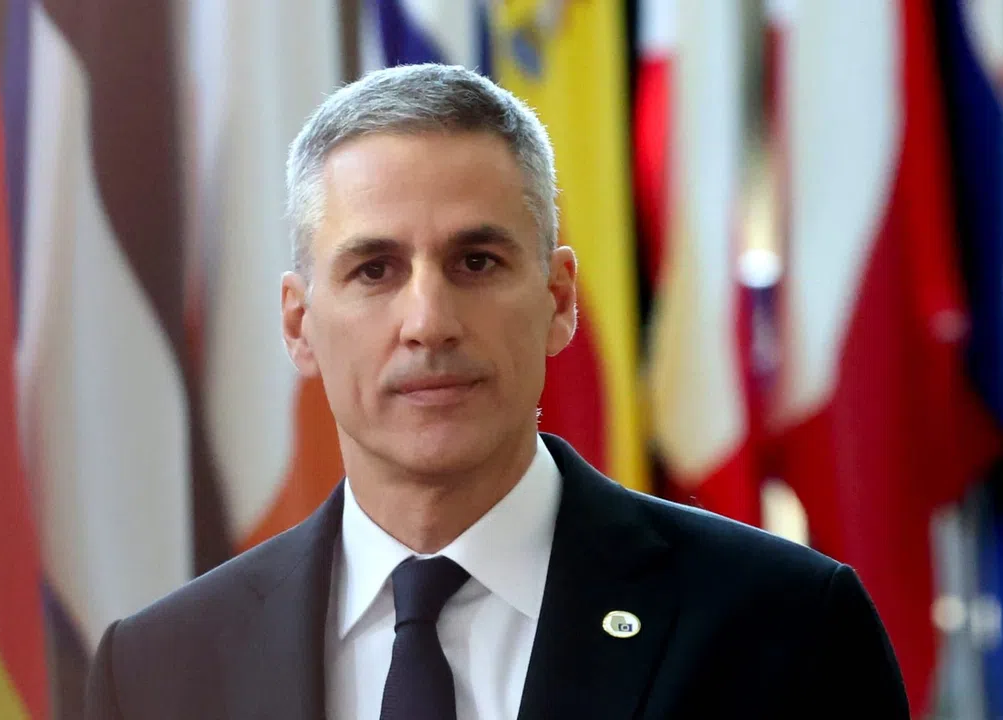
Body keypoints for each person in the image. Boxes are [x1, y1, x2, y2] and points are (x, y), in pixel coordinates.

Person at [85, 63, 909, 719]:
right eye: (374, 270)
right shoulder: (158, 672)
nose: (429, 322)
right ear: (300, 324)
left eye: (476, 262)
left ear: (559, 299)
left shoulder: (788, 629)